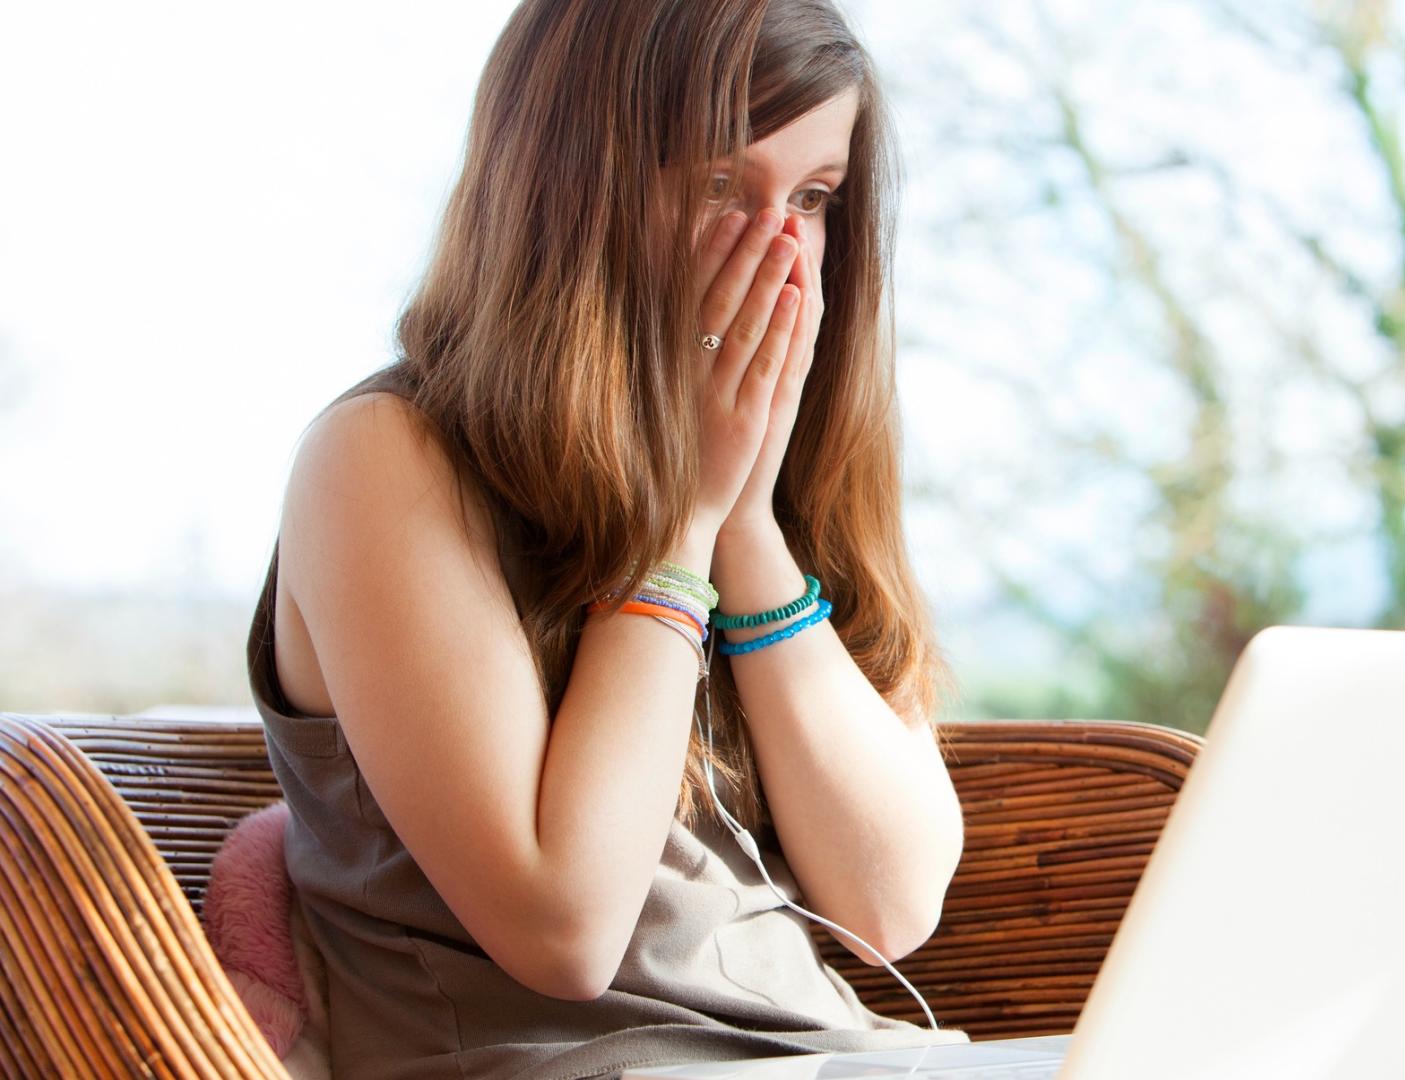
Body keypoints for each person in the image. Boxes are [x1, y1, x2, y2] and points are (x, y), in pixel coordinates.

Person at [242, 1, 975, 1076]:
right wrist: (680, 524)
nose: (780, 255)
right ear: (572, 190)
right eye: (724, 188)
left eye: (813, 198)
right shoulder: (384, 458)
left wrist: (747, 523)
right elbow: (564, 929)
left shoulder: (776, 475)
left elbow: (892, 900)